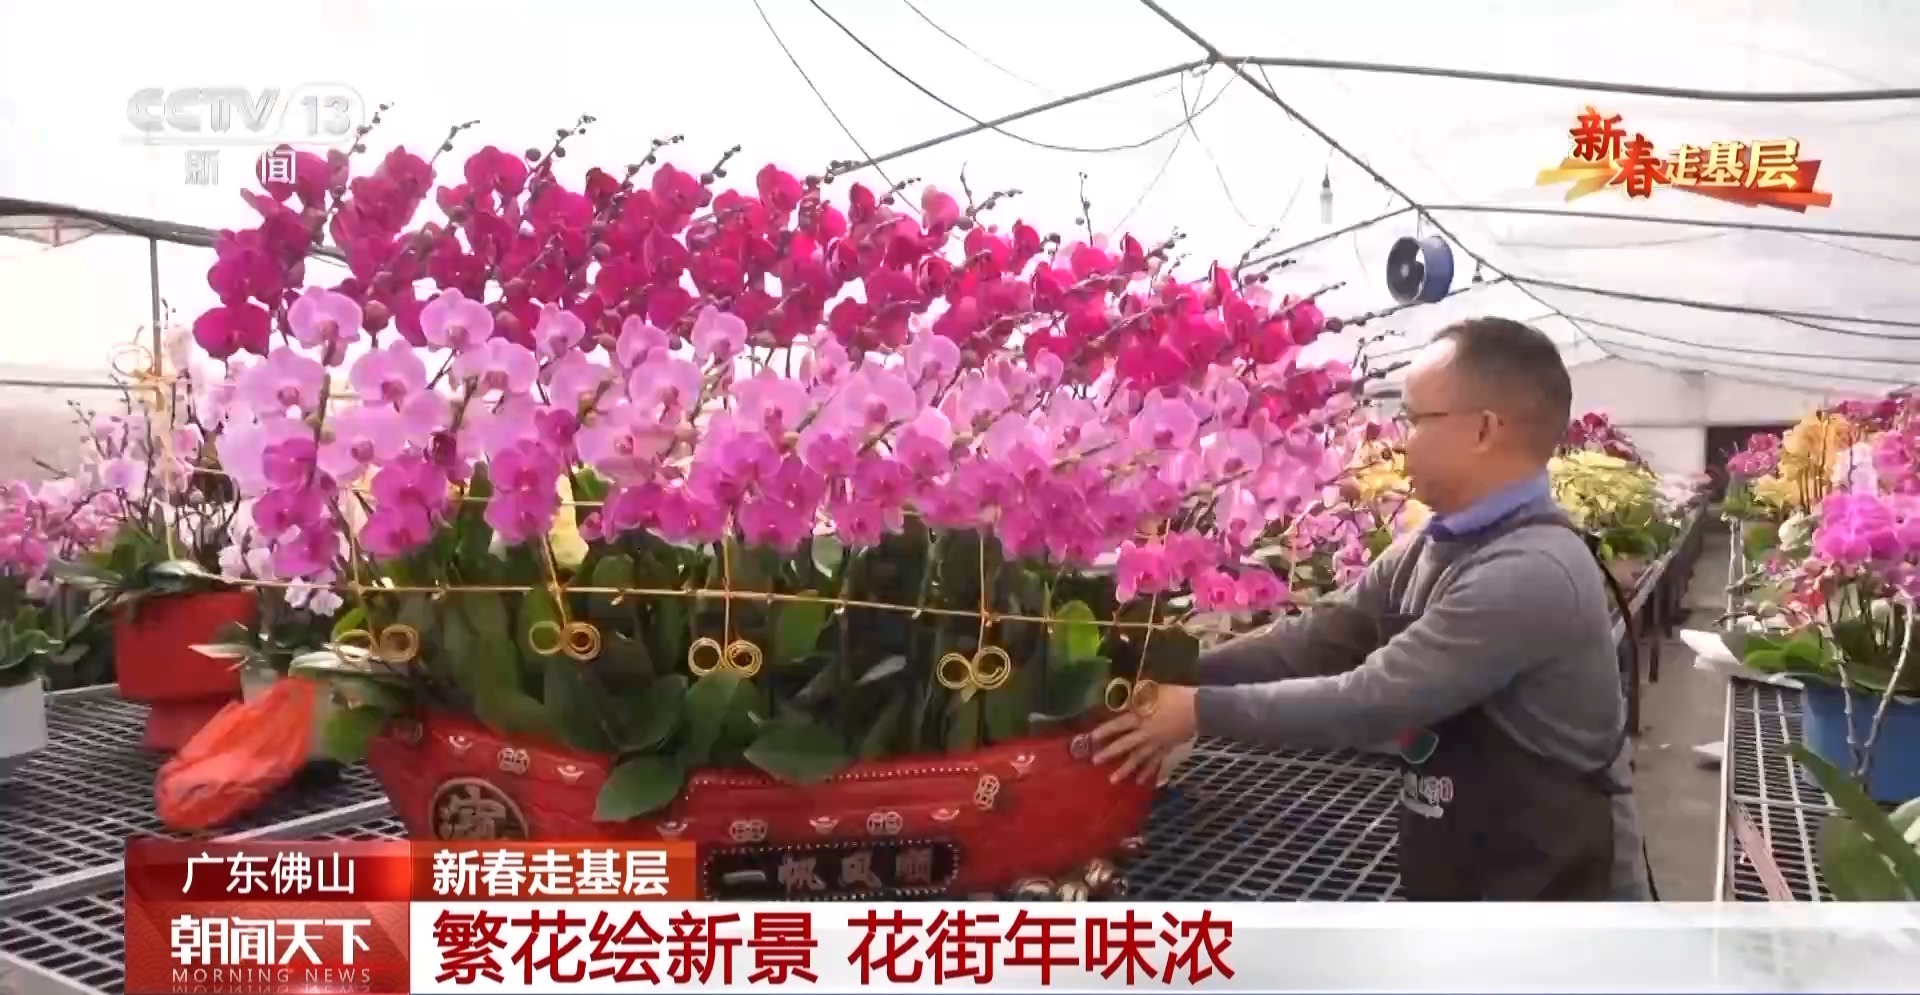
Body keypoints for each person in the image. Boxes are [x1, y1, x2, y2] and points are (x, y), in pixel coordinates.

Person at [1092, 316, 1653, 901]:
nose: (1398, 438)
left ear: (1484, 429)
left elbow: (1369, 699)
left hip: (1551, 898)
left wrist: (1198, 710)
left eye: (1414, 419)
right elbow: (1321, 637)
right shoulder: (1433, 547)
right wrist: (1176, 673)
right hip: (1468, 862)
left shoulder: (1530, 570)